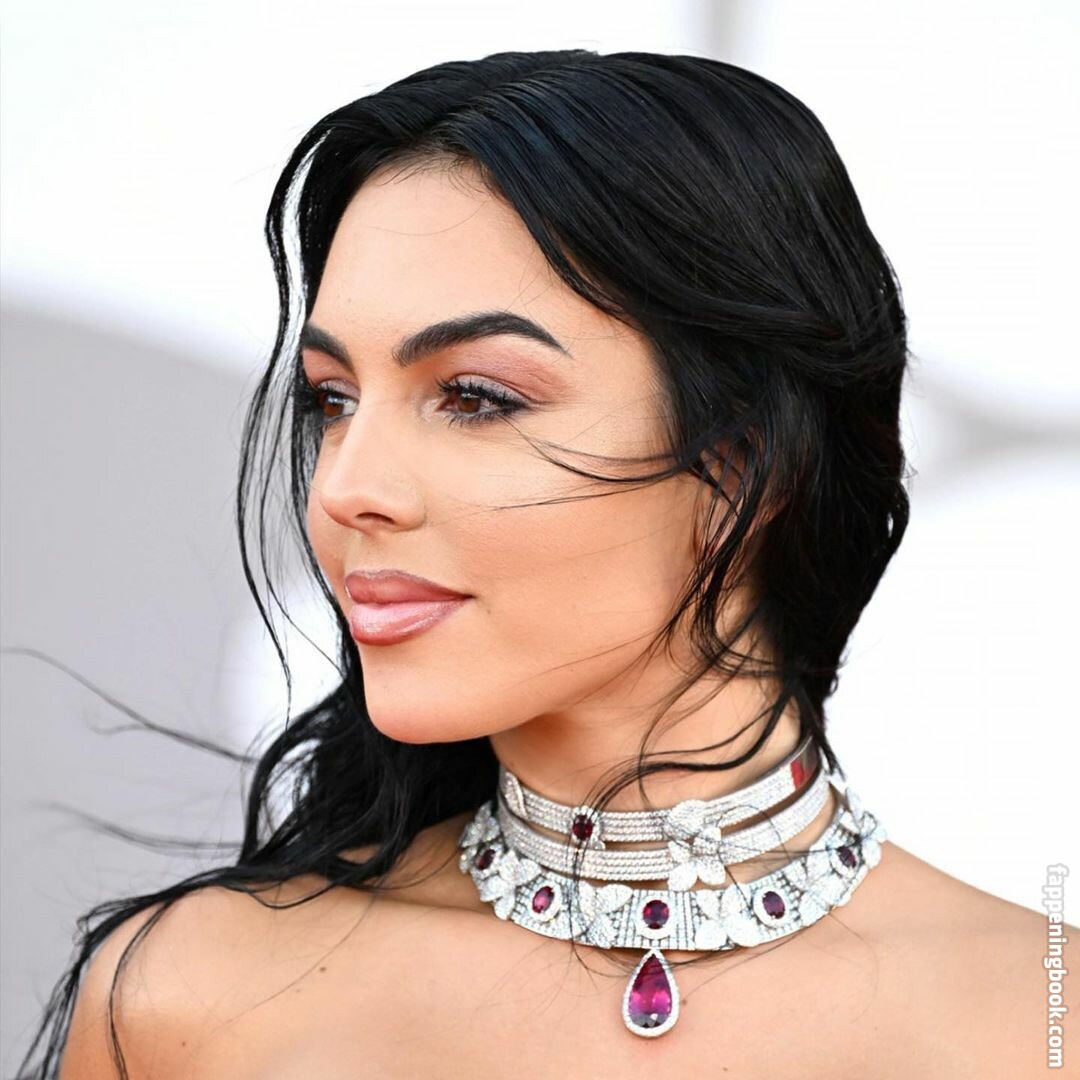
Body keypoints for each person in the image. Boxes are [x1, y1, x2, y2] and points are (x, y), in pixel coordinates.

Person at [18, 48, 1069, 1079]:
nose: (344, 487)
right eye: (333, 400)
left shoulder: (1040, 1024)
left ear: (741, 465)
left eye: (474, 397)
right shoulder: (193, 1000)